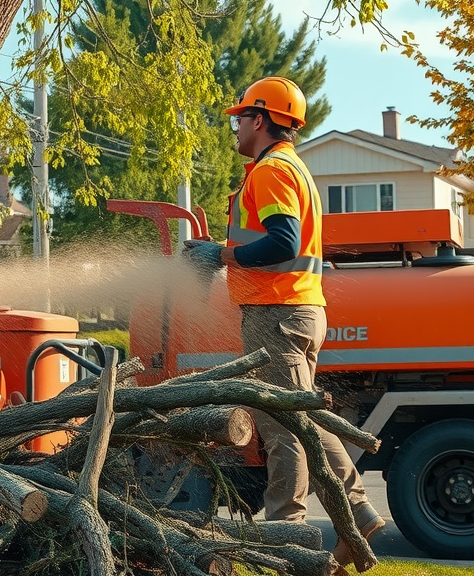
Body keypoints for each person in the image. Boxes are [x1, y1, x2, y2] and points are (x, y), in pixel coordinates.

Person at [183, 77, 384, 568]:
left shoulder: (270, 172)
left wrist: (221, 254)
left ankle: (292, 534)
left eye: (240, 117)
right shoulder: (290, 169)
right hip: (294, 310)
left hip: (277, 314)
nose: (234, 126)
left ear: (261, 119)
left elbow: (283, 241)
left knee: (285, 429)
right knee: (301, 421)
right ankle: (351, 515)